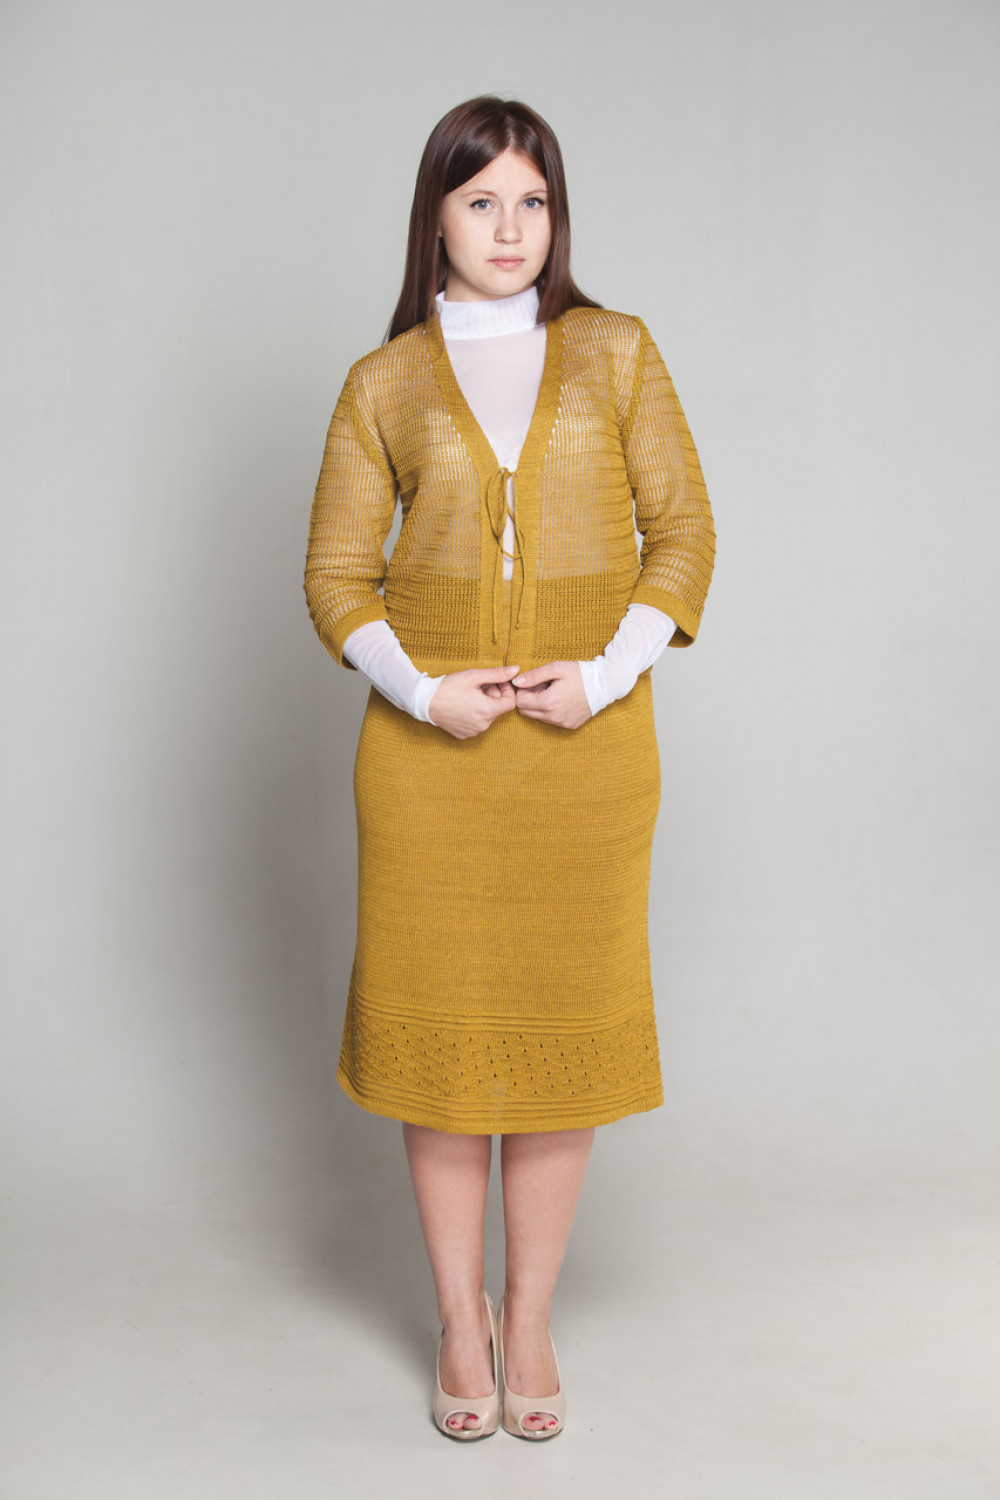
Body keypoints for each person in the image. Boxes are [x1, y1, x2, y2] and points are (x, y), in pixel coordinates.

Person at [303, 94, 715, 1442]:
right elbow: (334, 575)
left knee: (554, 1051)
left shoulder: (617, 353)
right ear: (435, 220)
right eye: (482, 201)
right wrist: (426, 692)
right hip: (428, 770)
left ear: (558, 216)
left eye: (532, 200)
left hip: (587, 766)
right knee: (442, 1060)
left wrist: (603, 674)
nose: (510, 227)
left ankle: (528, 1314)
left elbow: (685, 538)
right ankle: (457, 1317)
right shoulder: (384, 382)